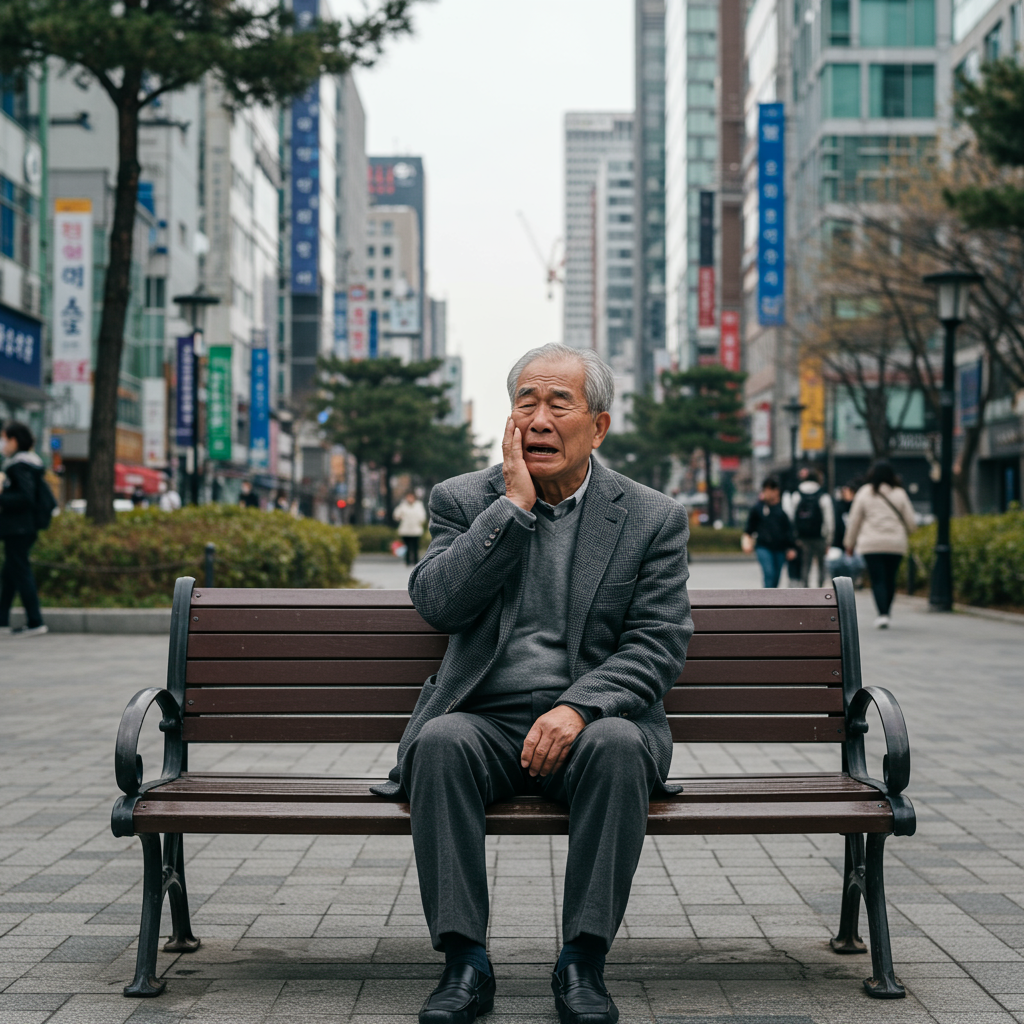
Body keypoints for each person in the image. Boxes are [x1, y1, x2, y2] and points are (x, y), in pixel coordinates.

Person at [373, 343, 692, 1024]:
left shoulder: (650, 517)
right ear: (510, 417)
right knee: (439, 743)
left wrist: (577, 708)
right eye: (527, 401)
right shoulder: (464, 499)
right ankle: (465, 963)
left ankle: (582, 961)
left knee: (617, 747)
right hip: (486, 722)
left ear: (597, 426)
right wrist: (510, 511)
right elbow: (438, 603)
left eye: (559, 403)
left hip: (591, 726)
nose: (540, 419)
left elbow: (658, 643)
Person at [844, 460, 917, 629]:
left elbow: (854, 521)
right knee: (890, 578)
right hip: (895, 545)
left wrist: (849, 544)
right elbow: (911, 522)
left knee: (877, 579)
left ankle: (882, 613)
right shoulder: (899, 493)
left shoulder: (864, 493)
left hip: (872, 544)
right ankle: (887, 611)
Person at [0, 421, 48, 637]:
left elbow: (25, 497)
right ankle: (2, 620)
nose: (2, 443)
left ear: (14, 440)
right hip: (21, 528)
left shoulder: (20, 465)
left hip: (18, 528)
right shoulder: (27, 463)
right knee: (10, 573)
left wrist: (2, 494)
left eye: (4, 438)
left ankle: (35, 621)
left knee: (19, 571)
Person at [743, 476, 798, 588]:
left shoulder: (783, 508)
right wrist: (746, 542)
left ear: (776, 491)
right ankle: (767, 602)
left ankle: (773, 601)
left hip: (780, 548)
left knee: (776, 576)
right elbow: (749, 528)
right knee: (769, 573)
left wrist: (791, 547)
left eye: (769, 490)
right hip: (763, 546)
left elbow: (789, 530)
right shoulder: (758, 508)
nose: (766, 493)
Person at [787, 467, 834, 587]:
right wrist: (829, 539)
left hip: (802, 536)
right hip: (819, 536)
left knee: (805, 564)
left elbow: (791, 517)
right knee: (821, 564)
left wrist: (794, 535)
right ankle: (820, 588)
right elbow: (829, 519)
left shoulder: (797, 494)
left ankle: (805, 589)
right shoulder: (823, 495)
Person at [393, 490, 427, 565]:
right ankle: (407, 561)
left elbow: (422, 517)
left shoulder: (418, 505)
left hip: (415, 530)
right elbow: (396, 515)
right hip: (405, 530)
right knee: (407, 546)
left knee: (415, 546)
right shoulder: (403, 505)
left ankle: (415, 561)